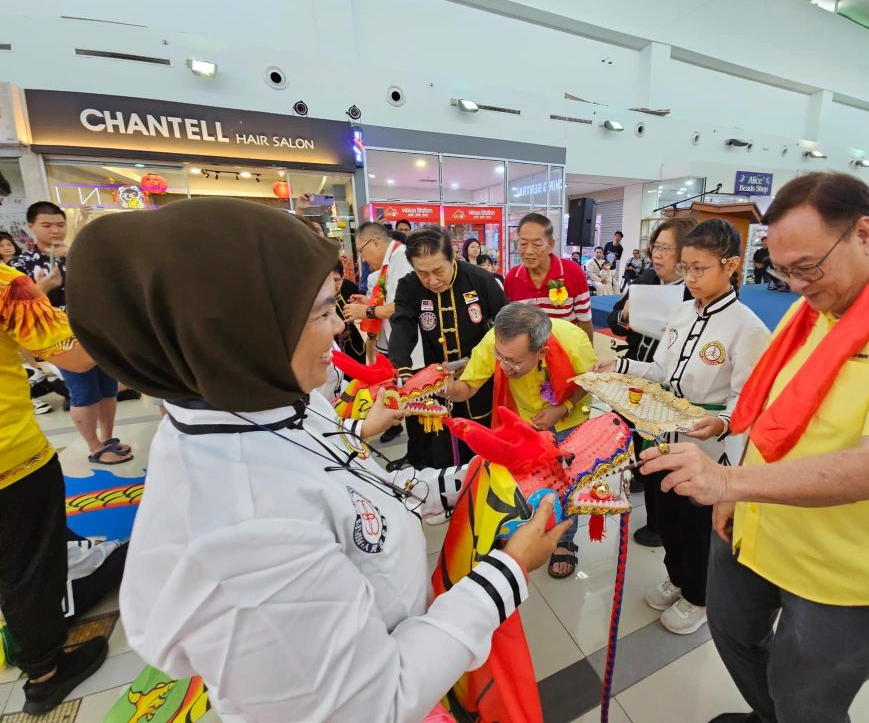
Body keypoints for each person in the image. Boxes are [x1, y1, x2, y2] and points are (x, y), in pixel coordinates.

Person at [66, 197, 570, 723]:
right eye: (323, 311)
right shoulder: (244, 531)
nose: (340, 328)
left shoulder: (277, 402)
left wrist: (471, 476)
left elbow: (358, 485)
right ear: (240, 332)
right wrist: (509, 570)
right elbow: (375, 704)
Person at [639, 172, 869, 723]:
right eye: (783, 271)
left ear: (863, 233)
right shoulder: (815, 308)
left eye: (807, 266)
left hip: (844, 564)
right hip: (756, 527)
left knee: (808, 694)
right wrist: (738, 489)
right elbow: (773, 415)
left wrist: (727, 482)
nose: (797, 284)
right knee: (734, 638)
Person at [600, 220, 769, 636]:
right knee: (667, 518)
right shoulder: (679, 313)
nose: (689, 278)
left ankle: (700, 595)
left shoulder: (748, 328)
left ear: (730, 266)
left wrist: (722, 423)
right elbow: (662, 370)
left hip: (709, 449)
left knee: (697, 527)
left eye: (699, 269)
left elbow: (748, 400)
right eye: (686, 268)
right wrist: (619, 365)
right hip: (663, 436)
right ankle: (677, 578)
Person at [0, 262, 109, 715]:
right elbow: (76, 356)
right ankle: (44, 673)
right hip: (11, 459)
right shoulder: (8, 284)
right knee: (27, 568)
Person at [443, 303, 597, 578]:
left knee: (564, 485)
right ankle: (521, 530)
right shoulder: (499, 340)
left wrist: (563, 408)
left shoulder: (573, 339)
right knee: (519, 483)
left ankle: (564, 540)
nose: (504, 366)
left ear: (541, 352)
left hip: (568, 421)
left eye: (513, 361)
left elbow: (590, 382)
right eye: (500, 357)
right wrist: (441, 388)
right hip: (520, 420)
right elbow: (467, 386)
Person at [11, 202, 131, 463]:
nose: (55, 230)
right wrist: (42, 288)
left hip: (96, 331)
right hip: (60, 339)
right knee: (84, 391)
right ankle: (94, 446)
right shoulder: (20, 266)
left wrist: (77, 256)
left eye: (60, 225)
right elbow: (17, 313)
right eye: (47, 225)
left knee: (108, 387)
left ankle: (108, 438)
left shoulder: (79, 255)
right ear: (30, 227)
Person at [608, 218, 696, 548]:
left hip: (669, 383)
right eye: (654, 247)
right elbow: (616, 321)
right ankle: (641, 477)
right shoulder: (645, 279)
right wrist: (625, 315)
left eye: (664, 248)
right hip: (635, 373)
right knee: (635, 434)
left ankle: (659, 524)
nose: (656, 255)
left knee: (663, 447)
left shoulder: (694, 290)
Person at [389, 226, 507, 470]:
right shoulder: (409, 286)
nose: (432, 280)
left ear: (452, 257)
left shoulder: (481, 281)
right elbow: (402, 326)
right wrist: (401, 368)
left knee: (479, 445)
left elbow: (505, 328)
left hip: (479, 380)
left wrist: (474, 363)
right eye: (422, 273)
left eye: (438, 270)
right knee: (441, 447)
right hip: (438, 382)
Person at [343, 222, 421, 442]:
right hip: (400, 346)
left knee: (413, 403)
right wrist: (369, 303)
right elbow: (391, 302)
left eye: (362, 252)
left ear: (375, 242)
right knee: (406, 402)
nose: (364, 259)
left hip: (412, 348)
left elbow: (401, 306)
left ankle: (418, 456)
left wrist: (367, 310)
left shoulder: (401, 260)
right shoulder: (391, 262)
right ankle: (415, 452)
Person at [505, 213, 594, 341]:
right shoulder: (512, 278)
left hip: (566, 353)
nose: (529, 251)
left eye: (537, 244)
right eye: (523, 243)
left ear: (550, 245)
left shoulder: (573, 272)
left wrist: (588, 357)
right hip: (529, 356)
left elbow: (584, 321)